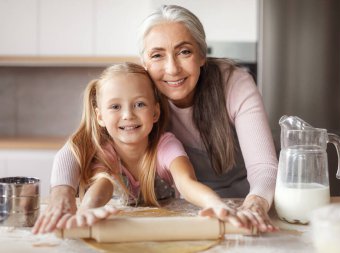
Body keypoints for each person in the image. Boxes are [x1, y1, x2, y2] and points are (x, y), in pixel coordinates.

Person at [33, 5, 279, 234]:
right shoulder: (141, 93)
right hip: (190, 212)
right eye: (158, 55)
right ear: (145, 63)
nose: (172, 69)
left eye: (184, 52)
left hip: (243, 208)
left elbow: (264, 167)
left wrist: (255, 204)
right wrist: (62, 194)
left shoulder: (233, 83)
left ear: (202, 56)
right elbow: (77, 147)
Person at [33, 62, 255, 233]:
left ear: (155, 112)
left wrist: (215, 203)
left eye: (139, 104)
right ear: (100, 117)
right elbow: (103, 186)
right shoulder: (104, 150)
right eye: (115, 106)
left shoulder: (165, 145)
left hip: (166, 228)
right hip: (121, 229)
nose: (128, 115)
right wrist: (85, 211)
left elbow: (186, 182)